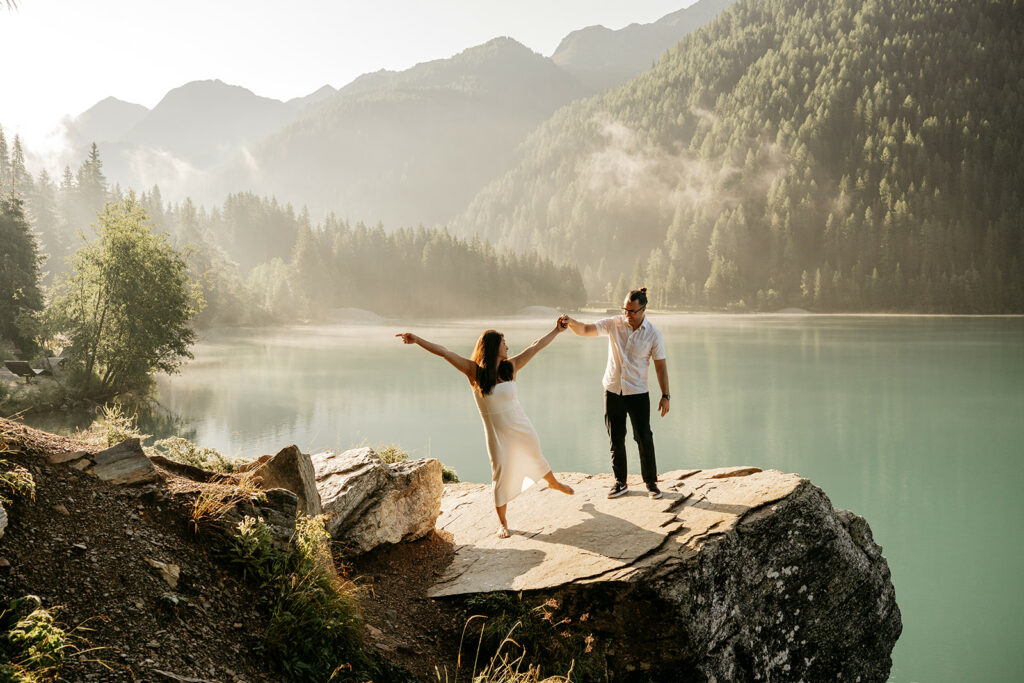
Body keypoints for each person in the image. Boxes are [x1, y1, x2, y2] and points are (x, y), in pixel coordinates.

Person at [396, 320, 574, 538]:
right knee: (500, 473)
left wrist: (556, 330)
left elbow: (536, 346)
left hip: (521, 425)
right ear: (493, 347)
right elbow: (444, 352)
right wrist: (417, 340)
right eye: (504, 343)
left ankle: (553, 483)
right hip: (497, 434)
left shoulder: (511, 367)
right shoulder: (475, 372)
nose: (508, 347)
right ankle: (503, 524)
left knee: (534, 454)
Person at [561, 287, 670, 499]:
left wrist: (666, 395)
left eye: (632, 311)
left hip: (638, 393)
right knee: (616, 438)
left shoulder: (653, 334)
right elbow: (585, 330)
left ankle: (651, 484)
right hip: (612, 391)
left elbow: (661, 367)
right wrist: (571, 322)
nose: (627, 314)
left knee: (644, 437)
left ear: (644, 310)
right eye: (625, 309)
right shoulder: (614, 324)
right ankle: (621, 482)